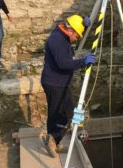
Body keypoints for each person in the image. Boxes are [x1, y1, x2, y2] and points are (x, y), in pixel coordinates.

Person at [41, 14, 96, 157]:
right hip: (54, 83)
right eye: (77, 35)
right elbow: (64, 63)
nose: (77, 38)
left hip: (60, 83)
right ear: (70, 30)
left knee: (68, 113)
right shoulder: (57, 41)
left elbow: (74, 24)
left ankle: (55, 140)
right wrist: (83, 61)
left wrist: (84, 23)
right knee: (56, 113)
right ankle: (51, 141)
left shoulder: (61, 32)